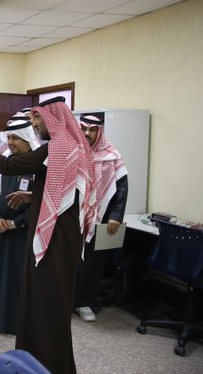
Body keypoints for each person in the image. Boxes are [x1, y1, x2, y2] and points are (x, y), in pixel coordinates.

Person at [0, 96, 96, 374]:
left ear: (52, 119)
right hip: (61, 236)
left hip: (56, 241)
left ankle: (49, 364)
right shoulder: (69, 146)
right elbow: (63, 190)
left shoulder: (57, 147)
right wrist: (32, 195)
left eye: (37, 118)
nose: (35, 124)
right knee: (41, 300)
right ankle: (37, 360)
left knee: (48, 302)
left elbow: (9, 166)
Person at [0, 114, 40, 334]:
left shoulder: (37, 165)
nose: (11, 142)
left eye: (16, 138)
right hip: (1, 229)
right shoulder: (5, 161)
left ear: (27, 139)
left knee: (16, 277)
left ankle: (14, 321)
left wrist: (15, 223)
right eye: (9, 137)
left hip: (22, 232)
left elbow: (41, 202)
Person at [74, 113, 128, 322]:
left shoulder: (112, 156)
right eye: (84, 129)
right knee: (71, 261)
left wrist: (115, 216)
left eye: (92, 130)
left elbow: (121, 188)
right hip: (74, 217)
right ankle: (67, 301)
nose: (87, 133)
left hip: (100, 218)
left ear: (100, 132)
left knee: (92, 264)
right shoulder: (74, 152)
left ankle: (85, 303)